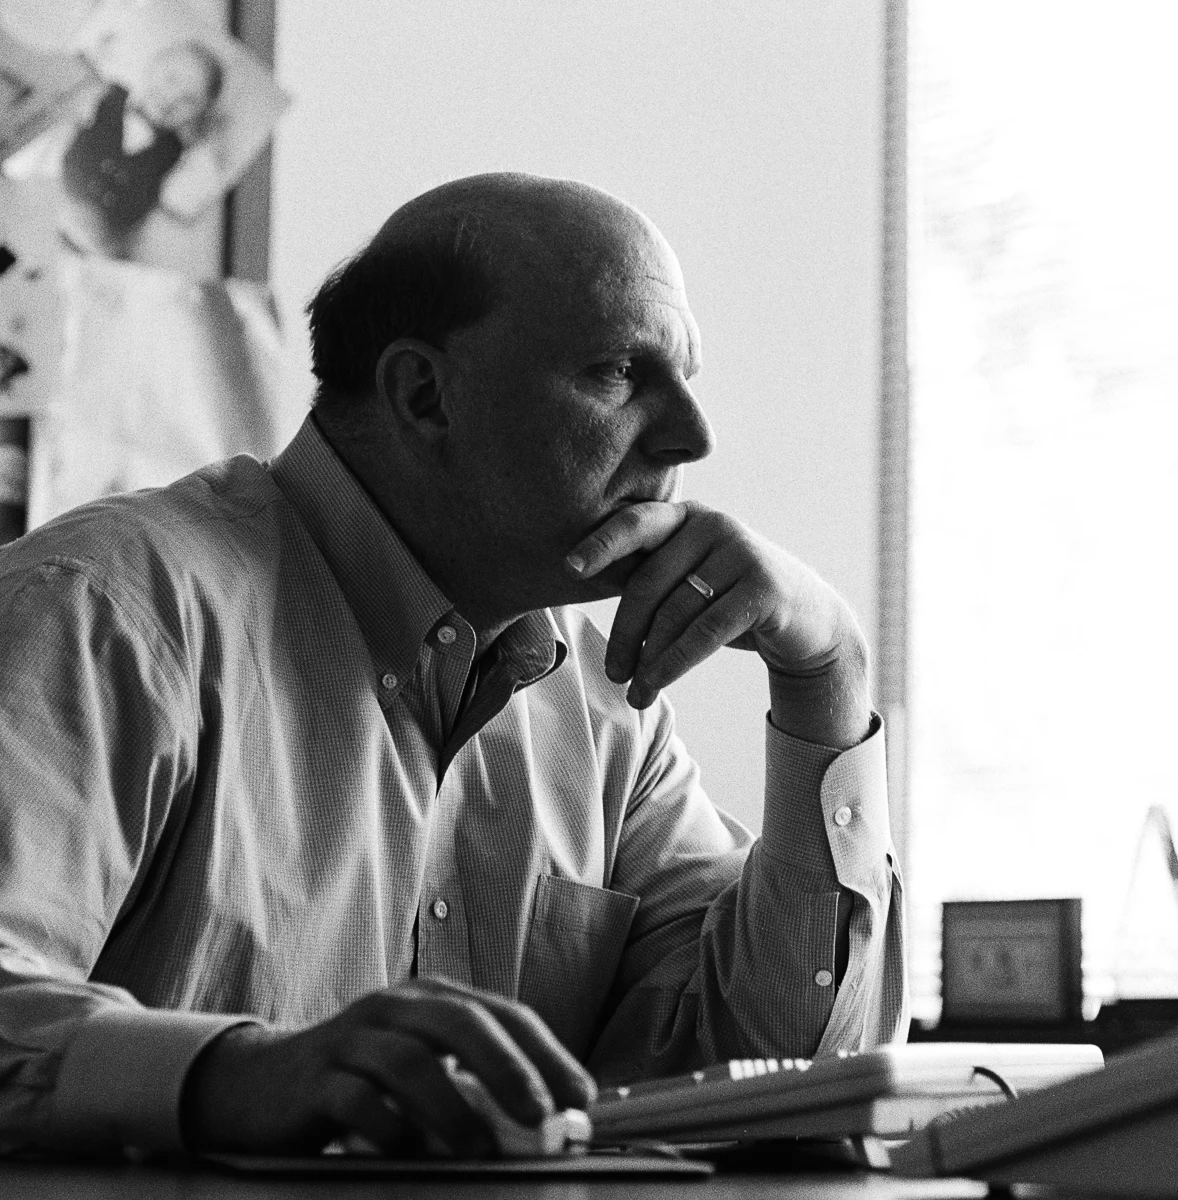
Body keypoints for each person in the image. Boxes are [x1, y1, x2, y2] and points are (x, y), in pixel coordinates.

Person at [0, 172, 903, 1160]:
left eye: (685, 378)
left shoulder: (610, 706)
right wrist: (235, 1074)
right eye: (618, 372)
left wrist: (826, 676)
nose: (693, 435)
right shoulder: (108, 611)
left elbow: (782, 1087)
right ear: (423, 394)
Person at [59, 39, 224, 254]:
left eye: (189, 100)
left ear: (199, 114)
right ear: (152, 67)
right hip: (62, 198)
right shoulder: (110, 96)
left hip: (106, 239)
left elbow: (182, 203)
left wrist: (204, 139)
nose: (172, 98)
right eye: (171, 79)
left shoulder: (173, 152)